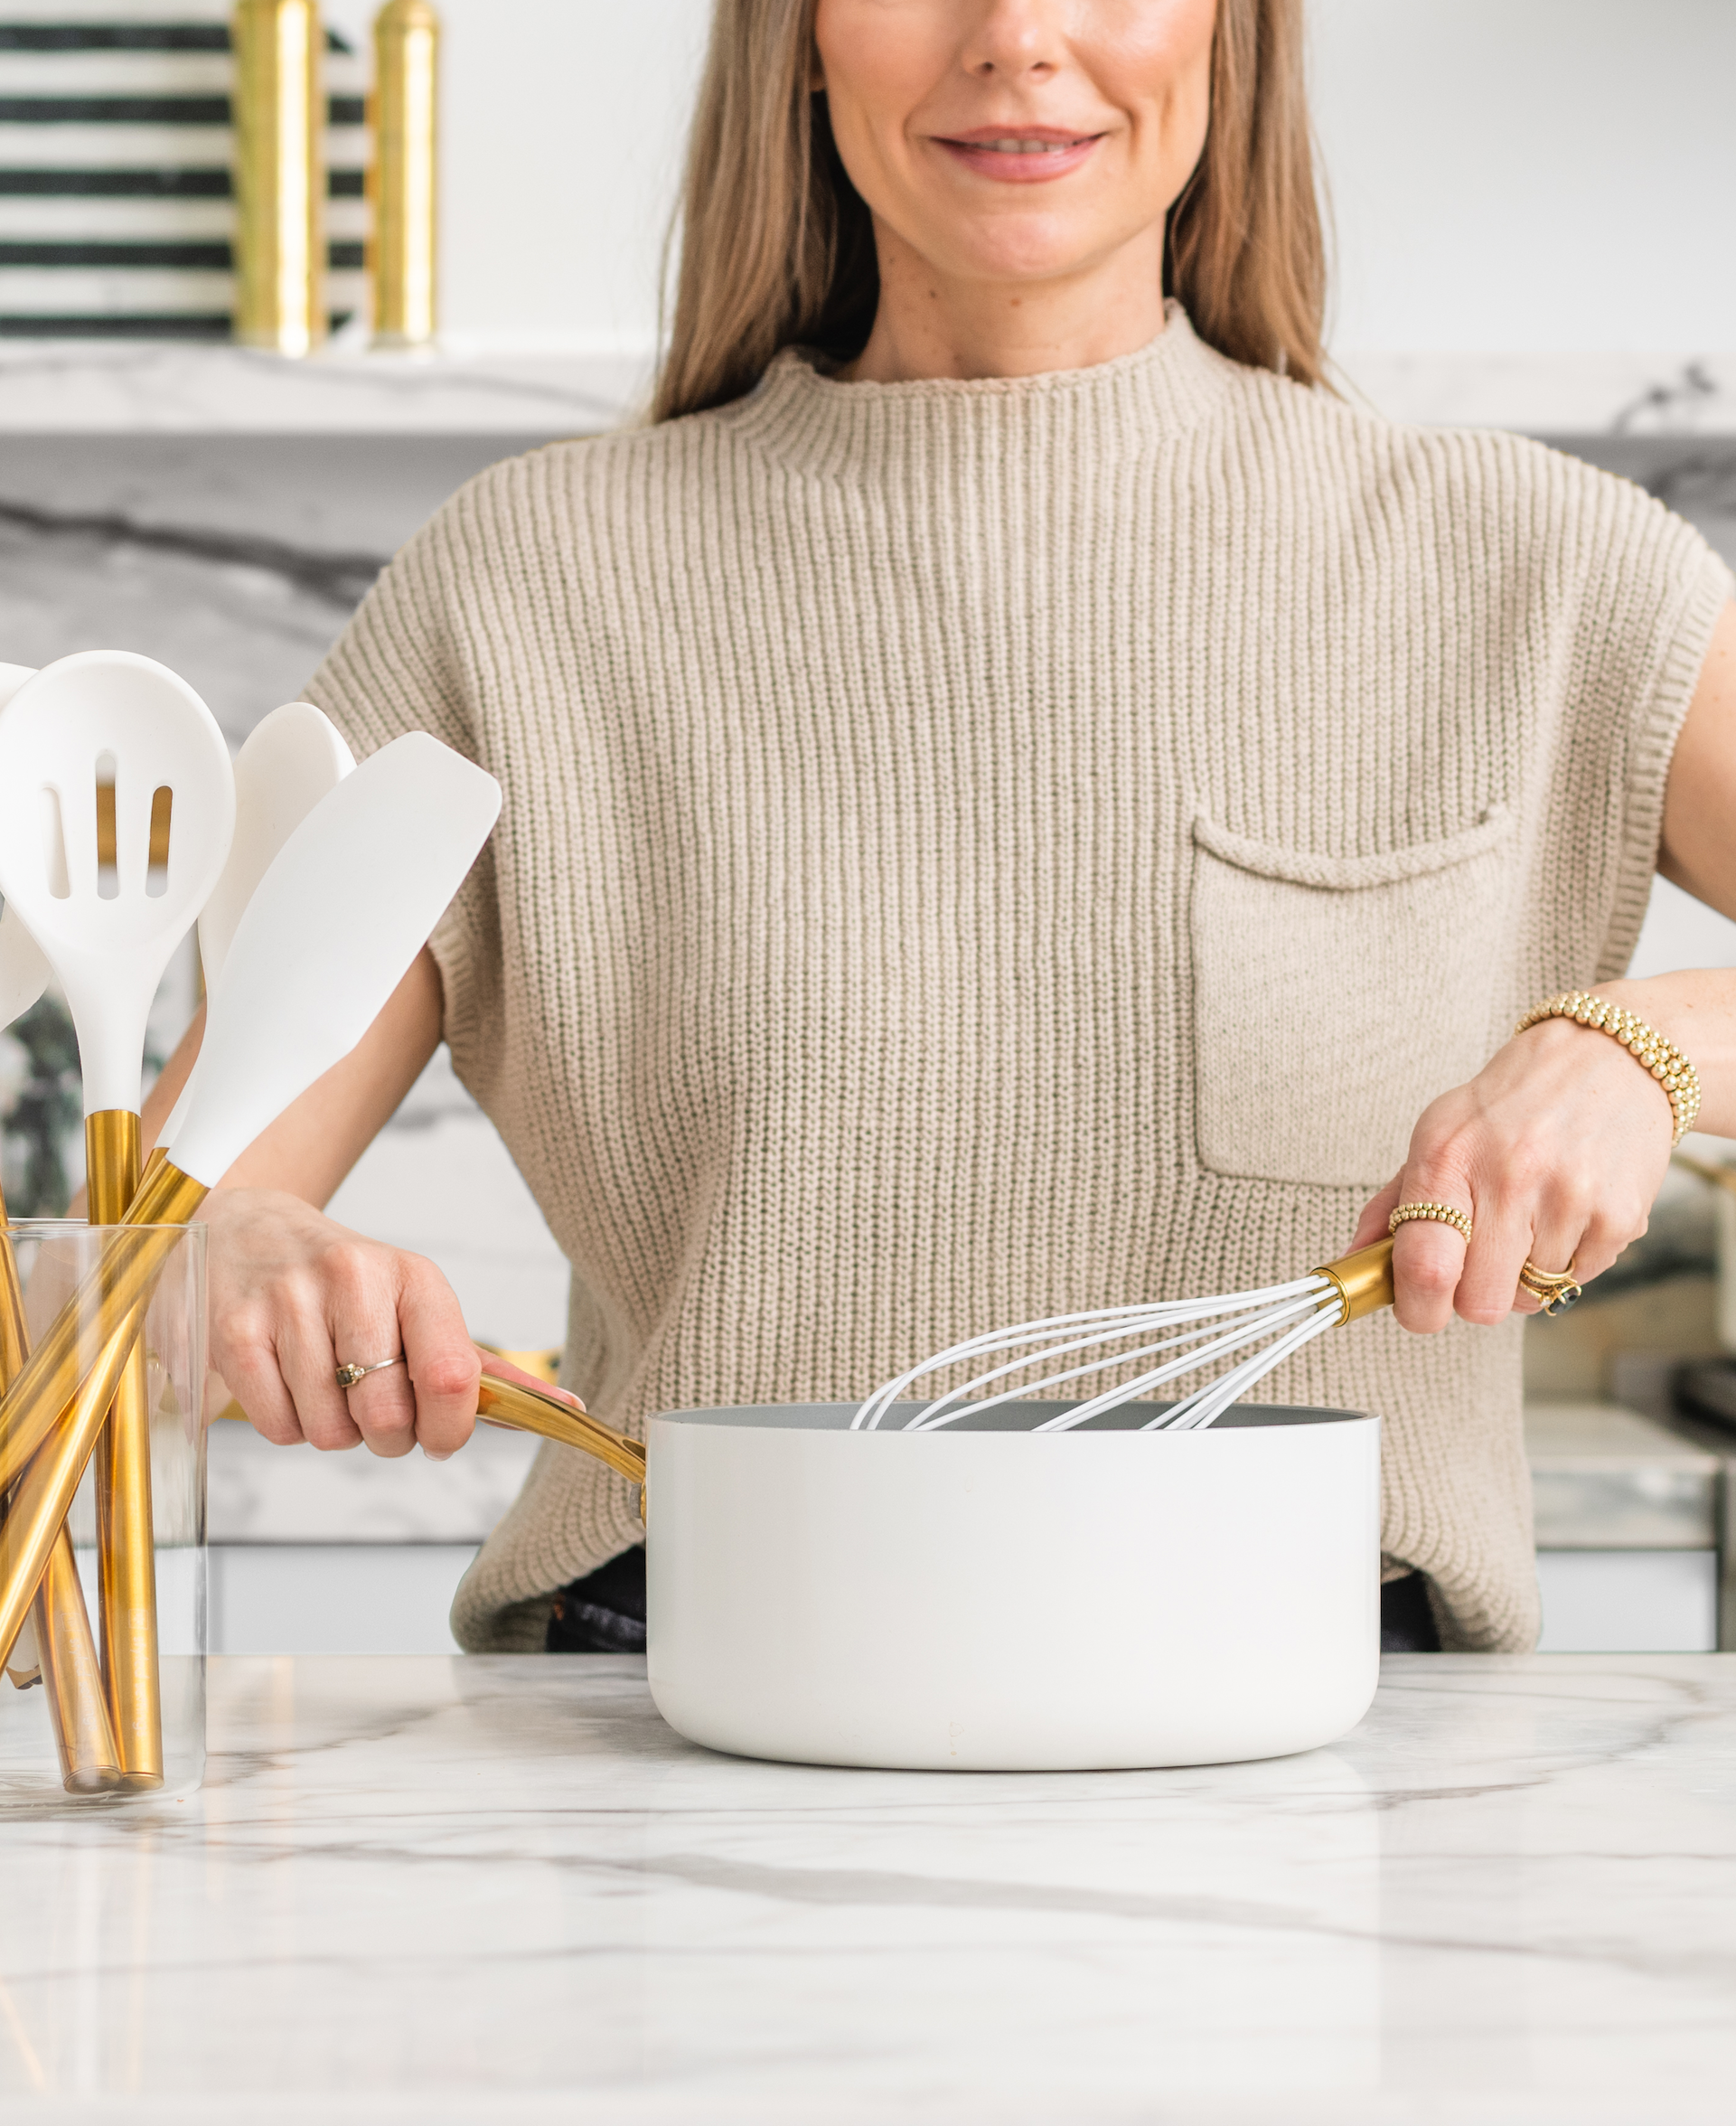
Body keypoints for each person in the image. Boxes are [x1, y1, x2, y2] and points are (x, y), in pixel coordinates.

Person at [145, 0, 1736, 1656]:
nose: (1019, 36)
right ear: (804, 38)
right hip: (686, 1717)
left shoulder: (1535, 571)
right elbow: (142, 1263)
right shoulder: (525, 589)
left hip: (1327, 1725)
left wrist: (1654, 1042)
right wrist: (241, 1263)